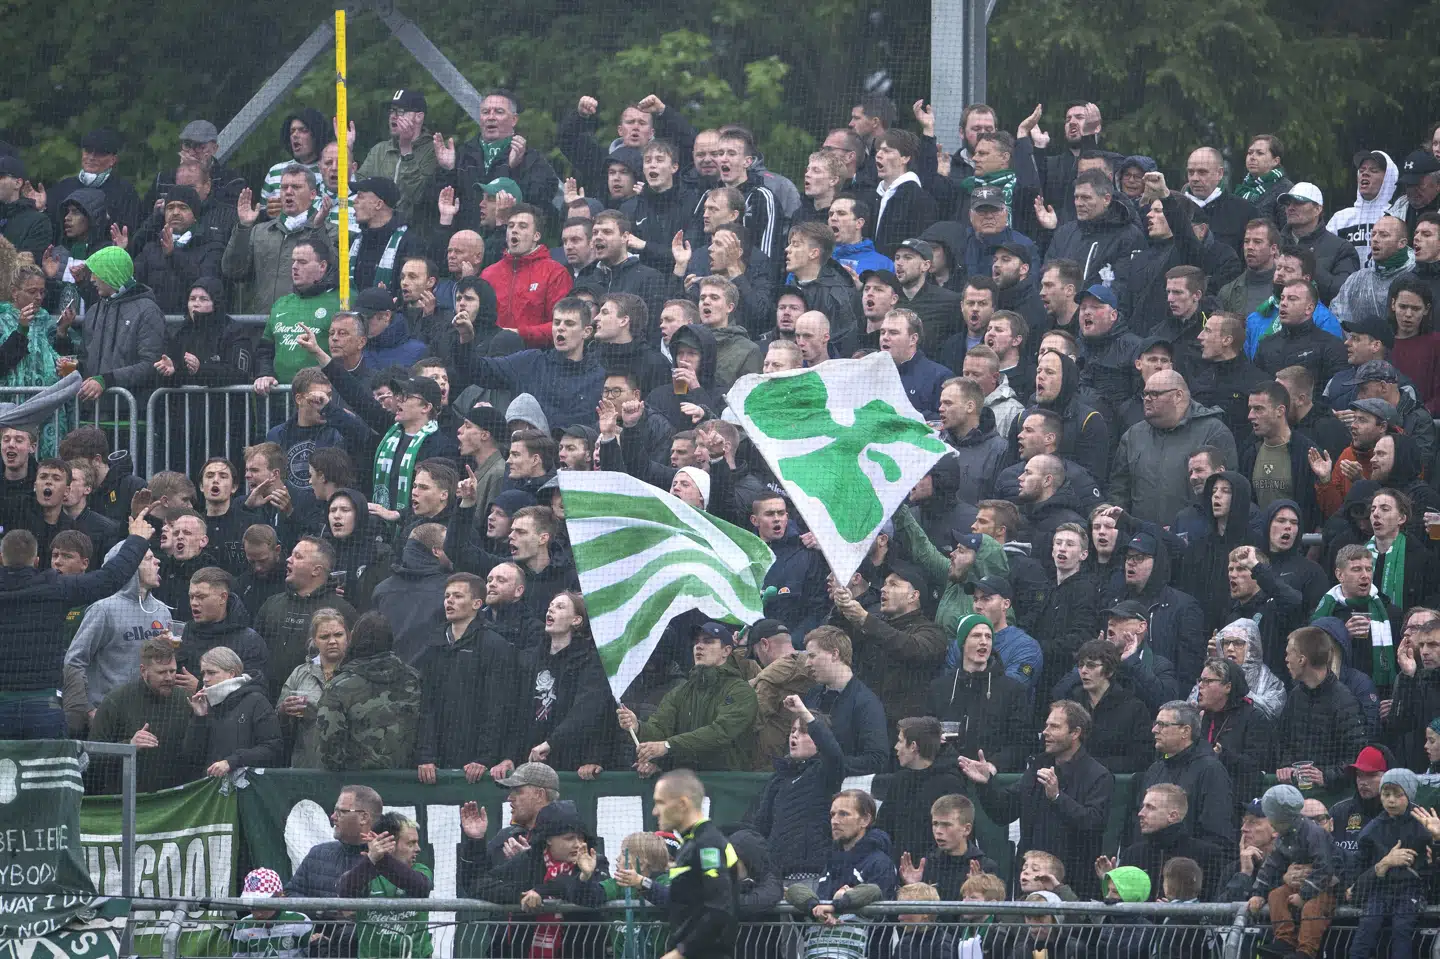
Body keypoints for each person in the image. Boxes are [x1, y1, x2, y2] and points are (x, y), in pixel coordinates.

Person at [959, 699, 1114, 898]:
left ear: (1075, 733)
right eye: (1047, 725)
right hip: (1030, 881)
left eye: (1055, 727)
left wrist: (1057, 797)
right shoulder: (1038, 766)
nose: (1046, 732)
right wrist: (985, 785)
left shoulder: (1098, 775)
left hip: (1073, 884)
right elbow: (1003, 812)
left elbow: (1094, 823)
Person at [495, 591, 612, 778]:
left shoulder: (591, 661)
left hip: (571, 762)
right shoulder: (531, 659)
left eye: (560, 607)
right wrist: (508, 755)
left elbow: (587, 711)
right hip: (529, 760)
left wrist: (552, 743)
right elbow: (517, 712)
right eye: (550, 606)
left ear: (576, 620)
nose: (551, 610)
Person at [617, 620, 758, 774]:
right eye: (696, 642)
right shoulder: (680, 692)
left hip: (725, 787)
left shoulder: (740, 691)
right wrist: (637, 726)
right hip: (683, 785)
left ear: (726, 651)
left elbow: (720, 732)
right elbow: (660, 729)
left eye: (708, 641)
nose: (699, 646)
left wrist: (667, 745)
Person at [825, 558, 946, 731]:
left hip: (904, 732)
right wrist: (841, 610)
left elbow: (910, 648)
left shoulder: (932, 632)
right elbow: (838, 643)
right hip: (864, 723)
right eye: (884, 584)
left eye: (893, 584)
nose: (883, 588)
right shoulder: (874, 625)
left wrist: (865, 619)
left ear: (914, 596)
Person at [1110, 369, 1238, 527]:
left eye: (1155, 394)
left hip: (1195, 539)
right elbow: (1119, 491)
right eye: (1145, 394)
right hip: (1143, 543)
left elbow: (1228, 491)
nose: (1147, 399)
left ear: (1178, 396)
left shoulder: (1213, 432)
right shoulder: (1133, 436)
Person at [745, 697, 845, 878]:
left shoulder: (825, 772)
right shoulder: (779, 779)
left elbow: (833, 752)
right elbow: (761, 825)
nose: (794, 735)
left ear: (818, 739)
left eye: (803, 731)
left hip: (811, 874)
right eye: (792, 731)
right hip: (775, 876)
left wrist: (802, 711)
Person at [314, 610, 421, 771]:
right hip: (407, 782)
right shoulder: (414, 679)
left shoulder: (339, 687)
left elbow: (329, 750)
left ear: (355, 639)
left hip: (355, 785)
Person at [649, 769, 740, 959]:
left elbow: (719, 908)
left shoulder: (708, 844)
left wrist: (682, 951)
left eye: (660, 802)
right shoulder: (690, 843)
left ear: (682, 804)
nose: (655, 811)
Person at [925, 612, 1030, 771]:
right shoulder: (939, 687)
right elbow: (925, 732)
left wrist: (992, 765)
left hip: (990, 779)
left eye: (988, 637)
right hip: (945, 773)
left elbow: (1022, 743)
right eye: (976, 636)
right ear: (962, 643)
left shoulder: (1013, 690)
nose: (984, 642)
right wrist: (933, 741)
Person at [88, 637, 194, 792]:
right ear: (143, 671)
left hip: (174, 801)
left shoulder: (185, 700)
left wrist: (202, 718)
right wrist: (129, 746)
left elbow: (196, 753)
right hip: (127, 801)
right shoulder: (117, 701)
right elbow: (92, 756)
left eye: (172, 671)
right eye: (161, 672)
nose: (169, 677)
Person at [1245, 784, 1339, 959]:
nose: (1271, 821)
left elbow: (1325, 868)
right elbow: (1271, 866)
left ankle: (1305, 952)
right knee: (1275, 895)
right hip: (1303, 885)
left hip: (1327, 887)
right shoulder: (1284, 836)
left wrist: (1304, 895)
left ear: (1280, 817)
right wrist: (1258, 893)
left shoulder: (1314, 833)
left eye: (1271, 817)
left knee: (1312, 908)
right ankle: (1285, 941)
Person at [1348, 768, 1432, 959]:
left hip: (1411, 891)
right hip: (1379, 890)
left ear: (1409, 794)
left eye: (1398, 795)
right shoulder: (1371, 831)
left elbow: (1432, 865)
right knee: (1368, 925)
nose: (1391, 800)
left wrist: (1435, 841)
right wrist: (1384, 864)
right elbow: (1358, 874)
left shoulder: (1423, 823)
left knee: (1401, 929)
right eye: (1386, 794)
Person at [1274, 626, 1369, 790]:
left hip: (1333, 797)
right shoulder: (1295, 696)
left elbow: (1357, 755)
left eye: (1289, 653)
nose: (1286, 659)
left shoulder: (1344, 701)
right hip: (1296, 792)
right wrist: (1286, 767)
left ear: (1302, 660)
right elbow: (1283, 742)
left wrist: (1326, 776)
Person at [337, 810, 435, 959]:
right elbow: (345, 890)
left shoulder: (420, 870)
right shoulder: (367, 872)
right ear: (389, 844)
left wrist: (381, 859)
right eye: (411, 843)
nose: (418, 849)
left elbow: (421, 888)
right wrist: (371, 860)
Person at [1050, 638, 1152, 774]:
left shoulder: (1133, 708)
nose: (1083, 671)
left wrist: (1088, 765)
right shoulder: (1071, 704)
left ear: (1109, 671)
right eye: (1081, 665)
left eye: (1091, 666)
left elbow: (1141, 759)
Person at [180, 645, 283, 776]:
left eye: (211, 673)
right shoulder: (205, 702)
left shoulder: (256, 700)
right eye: (203, 673)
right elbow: (191, 756)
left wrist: (232, 762)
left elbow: (273, 748)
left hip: (245, 786)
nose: (205, 679)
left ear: (231, 673)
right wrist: (199, 718)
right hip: (210, 787)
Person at [874, 717, 966, 863]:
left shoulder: (950, 784)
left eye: (900, 741)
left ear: (913, 746)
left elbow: (956, 837)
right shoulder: (899, 780)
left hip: (937, 873)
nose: (896, 747)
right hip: (900, 871)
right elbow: (883, 826)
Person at [799, 625, 889, 774]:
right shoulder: (812, 695)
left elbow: (876, 759)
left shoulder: (866, 703)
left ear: (835, 654)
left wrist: (826, 764)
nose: (807, 663)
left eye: (812, 656)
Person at [277, 608, 348, 769]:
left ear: (347, 637)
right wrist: (284, 710)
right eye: (324, 637)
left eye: (338, 635)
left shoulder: (357, 671)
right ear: (314, 641)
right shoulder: (300, 673)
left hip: (347, 766)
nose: (332, 641)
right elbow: (277, 724)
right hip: (306, 763)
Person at [232, 868, 314, 957]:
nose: (257, 912)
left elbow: (314, 955)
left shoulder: (300, 921)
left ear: (279, 896)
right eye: (251, 904)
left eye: (262, 904)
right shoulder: (243, 926)